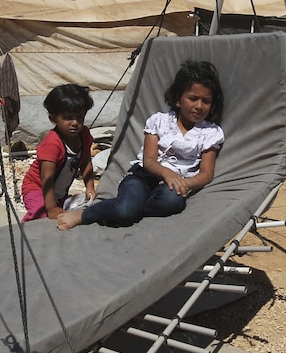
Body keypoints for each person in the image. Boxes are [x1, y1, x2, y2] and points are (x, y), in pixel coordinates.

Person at [57, 60, 225, 231]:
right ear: (178, 100)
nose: (199, 106)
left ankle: (127, 211)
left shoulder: (210, 133)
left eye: (206, 101)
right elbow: (149, 160)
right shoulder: (159, 121)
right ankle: (85, 214)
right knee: (127, 208)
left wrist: (185, 184)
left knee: (171, 202)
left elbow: (206, 174)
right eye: (193, 98)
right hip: (142, 176)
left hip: (175, 185)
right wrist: (167, 174)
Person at [21, 84, 96, 223]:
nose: (75, 123)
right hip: (37, 188)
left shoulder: (84, 134)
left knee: (85, 207)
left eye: (80, 117)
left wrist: (90, 187)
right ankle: (26, 227)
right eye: (68, 118)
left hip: (59, 191)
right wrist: (51, 208)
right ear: (53, 119)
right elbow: (46, 177)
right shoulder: (52, 143)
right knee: (42, 217)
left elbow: (86, 163)